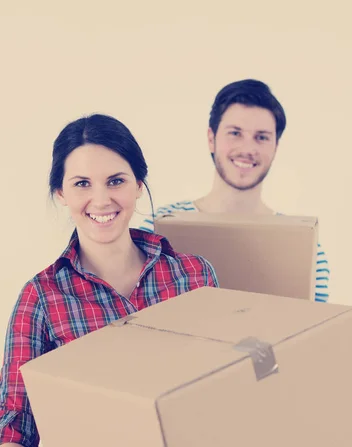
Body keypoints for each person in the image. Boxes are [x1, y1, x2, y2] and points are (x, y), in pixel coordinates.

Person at [0, 113, 218, 447]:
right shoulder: (42, 299)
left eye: (116, 180)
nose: (101, 199)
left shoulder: (193, 278)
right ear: (61, 195)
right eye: (82, 183)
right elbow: (8, 434)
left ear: (138, 186)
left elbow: (224, 402)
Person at [140, 79, 330, 303]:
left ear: (275, 147)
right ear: (211, 139)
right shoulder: (155, 229)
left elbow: (313, 333)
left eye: (261, 137)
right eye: (235, 133)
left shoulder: (307, 250)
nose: (248, 149)